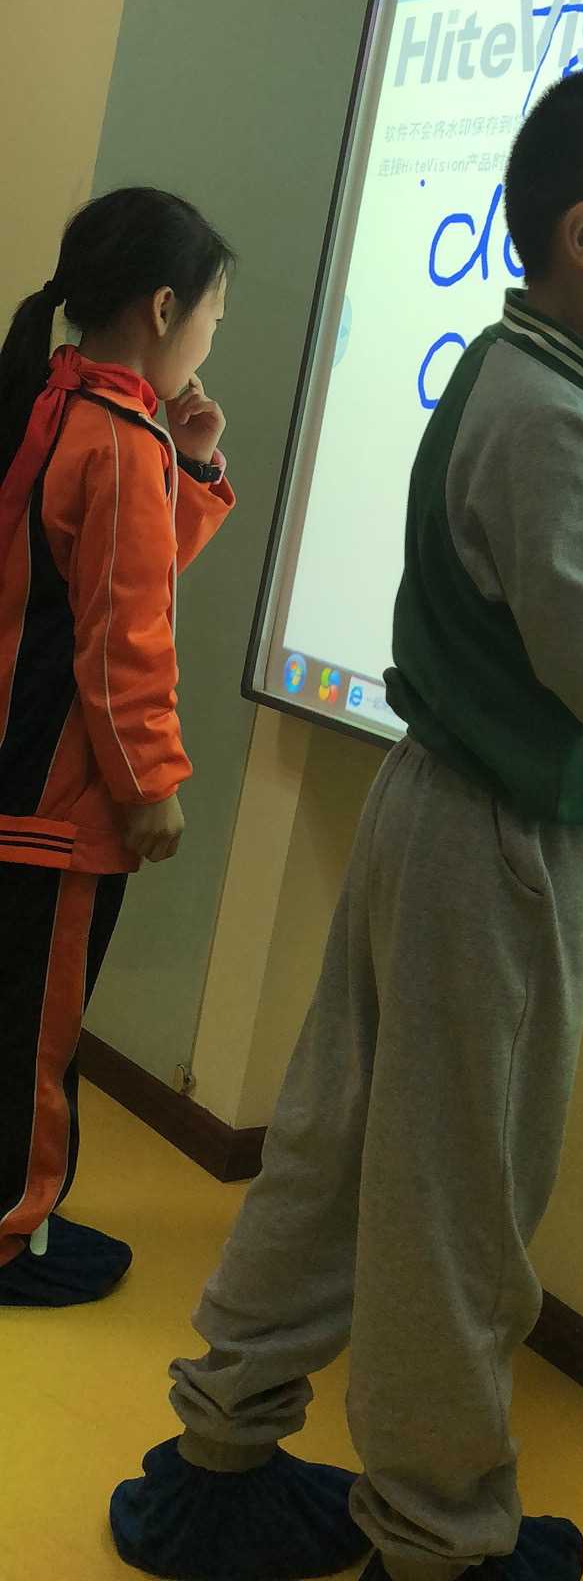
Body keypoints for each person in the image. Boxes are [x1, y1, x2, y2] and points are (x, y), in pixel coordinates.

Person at [108, 69, 583, 1581]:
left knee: (334, 1155)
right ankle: (441, 1538)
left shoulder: (522, 370)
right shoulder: (551, 423)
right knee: (462, 1210)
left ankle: (223, 1450)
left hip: (438, 808)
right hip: (504, 854)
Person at [0, 186, 235, 1308]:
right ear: (164, 308)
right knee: (35, 1033)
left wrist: (187, 469)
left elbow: (103, 571)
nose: (211, 339)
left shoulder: (54, 399)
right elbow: (125, 632)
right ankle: (14, 1234)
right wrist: (151, 785)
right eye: (214, 316)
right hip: (59, 801)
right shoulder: (120, 437)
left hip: (12, 769)